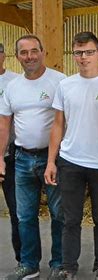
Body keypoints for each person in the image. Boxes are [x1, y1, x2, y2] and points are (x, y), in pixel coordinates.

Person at [43, 31, 98, 280]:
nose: (84, 57)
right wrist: (51, 162)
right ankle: (69, 267)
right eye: (78, 53)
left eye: (89, 52)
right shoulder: (66, 86)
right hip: (70, 162)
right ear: (74, 55)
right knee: (70, 219)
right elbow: (58, 125)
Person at [0, 35, 66, 280]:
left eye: (34, 51)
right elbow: (4, 125)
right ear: (17, 56)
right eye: (24, 52)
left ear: (43, 52)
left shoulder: (59, 82)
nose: (30, 56)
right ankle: (29, 264)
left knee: (59, 213)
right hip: (22, 159)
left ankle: (59, 263)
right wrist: (0, 157)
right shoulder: (13, 87)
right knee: (24, 215)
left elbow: (66, 120)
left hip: (54, 159)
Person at [0, 42, 21, 265]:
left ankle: (23, 258)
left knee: (17, 211)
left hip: (10, 155)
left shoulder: (15, 81)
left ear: (4, 55)